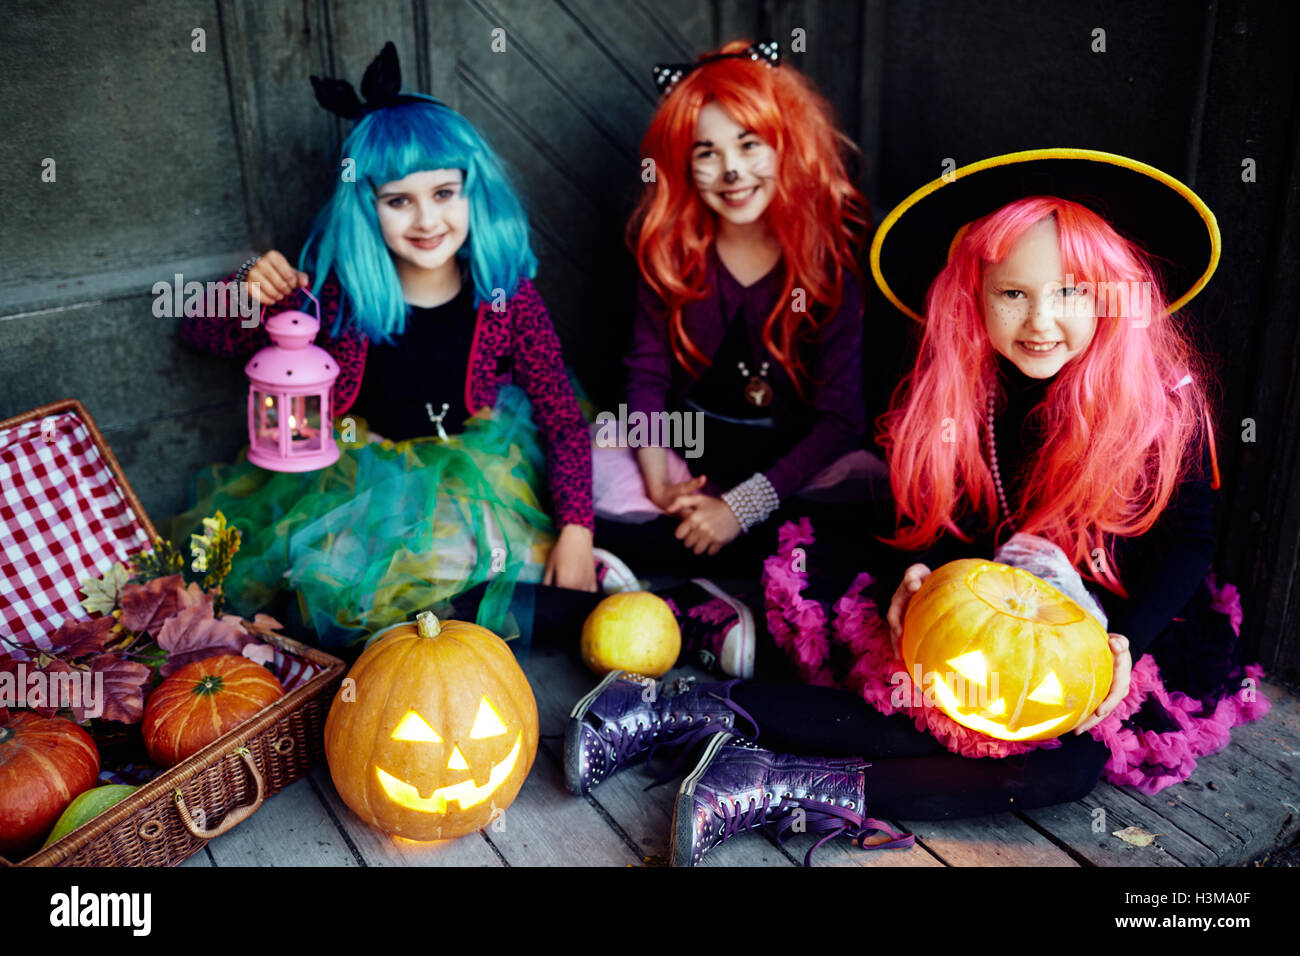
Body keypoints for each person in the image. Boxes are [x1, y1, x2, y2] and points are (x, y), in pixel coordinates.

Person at [565, 149, 1270, 865]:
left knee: (1070, 766)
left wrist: (1124, 642)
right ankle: (672, 712)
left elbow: (1189, 542)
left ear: (1114, 296)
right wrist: (924, 567)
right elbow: (950, 511)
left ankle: (777, 784)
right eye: (1012, 294)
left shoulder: (1158, 404)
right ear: (975, 297)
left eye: (1071, 292)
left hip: (1110, 617)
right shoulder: (965, 391)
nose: (1041, 322)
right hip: (979, 599)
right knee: (910, 695)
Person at [174, 43, 598, 648]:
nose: (426, 220)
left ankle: (573, 601)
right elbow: (199, 333)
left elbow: (558, 408)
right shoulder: (332, 294)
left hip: (473, 474)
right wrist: (247, 291)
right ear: (367, 207)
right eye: (399, 200)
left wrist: (578, 529)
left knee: (512, 566)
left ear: (475, 192)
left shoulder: (505, 295)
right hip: (359, 483)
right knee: (343, 596)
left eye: (444, 193)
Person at [589, 39, 884, 677]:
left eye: (750, 144)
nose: (731, 171)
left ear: (788, 145)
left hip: (791, 469)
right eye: (707, 153)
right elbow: (645, 378)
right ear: (680, 165)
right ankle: (698, 574)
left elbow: (840, 423)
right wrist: (660, 478)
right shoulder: (670, 255)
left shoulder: (828, 267)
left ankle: (690, 579)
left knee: (864, 500)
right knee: (600, 452)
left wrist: (740, 507)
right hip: (692, 451)